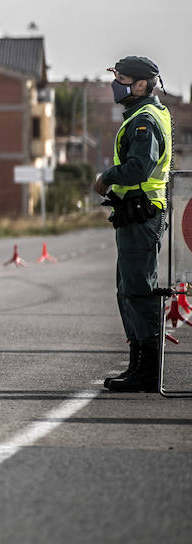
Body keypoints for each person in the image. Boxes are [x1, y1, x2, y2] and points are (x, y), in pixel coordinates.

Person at [93, 55, 172, 393]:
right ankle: (138, 366)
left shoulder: (145, 121)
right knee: (128, 289)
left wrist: (106, 177)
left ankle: (148, 372)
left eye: (122, 77)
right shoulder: (143, 115)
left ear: (141, 84)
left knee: (138, 289)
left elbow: (140, 167)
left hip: (143, 214)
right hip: (133, 212)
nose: (116, 83)